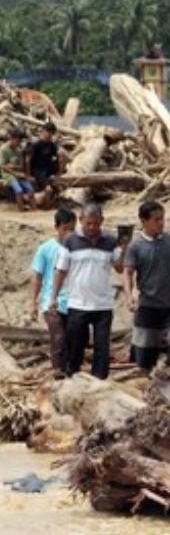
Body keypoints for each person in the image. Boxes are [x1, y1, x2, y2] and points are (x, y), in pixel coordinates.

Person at [50, 204, 124, 379]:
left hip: (102, 305)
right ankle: (73, 376)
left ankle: (99, 380)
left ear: (102, 221)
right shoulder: (70, 242)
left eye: (96, 224)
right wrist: (53, 297)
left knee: (102, 345)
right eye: (88, 223)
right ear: (81, 220)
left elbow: (120, 268)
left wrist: (124, 247)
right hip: (77, 303)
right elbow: (61, 271)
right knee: (75, 344)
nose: (92, 228)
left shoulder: (110, 242)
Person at [123, 201, 170, 373]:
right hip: (148, 307)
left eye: (162, 219)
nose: (161, 223)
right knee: (145, 358)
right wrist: (129, 296)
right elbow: (127, 272)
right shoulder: (136, 246)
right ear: (144, 221)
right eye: (156, 219)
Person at [29, 208, 74, 373]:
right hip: (51, 302)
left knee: (72, 340)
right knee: (58, 337)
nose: (69, 233)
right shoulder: (45, 249)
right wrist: (33, 303)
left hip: (74, 302)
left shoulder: (77, 248)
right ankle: (58, 373)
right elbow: (38, 277)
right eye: (65, 229)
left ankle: (70, 373)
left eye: (72, 229)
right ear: (57, 227)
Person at [26, 122, 65, 209]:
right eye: (47, 132)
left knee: (59, 186)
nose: (49, 134)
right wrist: (28, 175)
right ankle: (47, 207)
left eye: (51, 133)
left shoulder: (52, 145)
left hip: (47, 170)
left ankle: (47, 202)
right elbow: (28, 160)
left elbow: (56, 158)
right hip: (38, 171)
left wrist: (58, 172)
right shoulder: (36, 145)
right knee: (48, 189)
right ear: (43, 131)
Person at [2, 130, 33, 211]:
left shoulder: (18, 150)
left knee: (30, 189)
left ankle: (34, 209)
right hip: (8, 175)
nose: (19, 143)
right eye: (18, 141)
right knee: (19, 190)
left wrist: (13, 166)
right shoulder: (3, 149)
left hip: (17, 173)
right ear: (12, 139)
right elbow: (3, 166)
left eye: (20, 141)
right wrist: (15, 172)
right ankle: (21, 210)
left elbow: (21, 166)